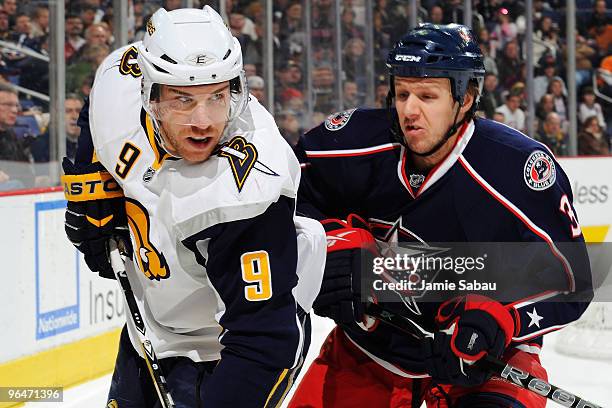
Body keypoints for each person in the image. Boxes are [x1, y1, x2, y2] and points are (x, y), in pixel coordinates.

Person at [289, 23, 592, 407]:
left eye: (427, 96)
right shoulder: (347, 144)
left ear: (465, 99)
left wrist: (502, 318)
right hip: (371, 351)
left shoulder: (515, 169)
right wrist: (331, 243)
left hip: (481, 359)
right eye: (402, 94)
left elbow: (573, 278)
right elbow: (285, 196)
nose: (409, 111)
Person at [61, 6, 326, 407]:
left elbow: (263, 342)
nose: (203, 121)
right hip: (153, 325)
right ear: (149, 92)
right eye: (183, 100)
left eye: (217, 97)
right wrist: (89, 181)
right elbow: (97, 109)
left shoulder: (248, 189)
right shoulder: (121, 79)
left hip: (228, 349)